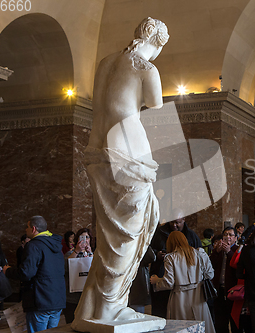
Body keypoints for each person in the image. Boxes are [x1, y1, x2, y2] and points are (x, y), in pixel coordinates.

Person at [72, 17, 169, 328]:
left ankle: (92, 308)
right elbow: (155, 103)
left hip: (96, 150)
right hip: (127, 153)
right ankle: (111, 307)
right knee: (128, 233)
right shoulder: (147, 69)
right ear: (158, 44)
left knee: (111, 236)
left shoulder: (105, 62)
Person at [4, 216, 66, 333]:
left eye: (27, 227)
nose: (25, 230)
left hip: (40, 299)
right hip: (57, 299)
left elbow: (26, 273)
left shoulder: (33, 245)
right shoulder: (57, 245)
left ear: (33, 229)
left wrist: (8, 271)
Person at [150, 231, 215, 332]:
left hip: (179, 299)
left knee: (181, 328)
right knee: (200, 327)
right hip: (198, 297)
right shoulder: (199, 253)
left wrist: (157, 280)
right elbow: (210, 274)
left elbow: (169, 283)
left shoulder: (171, 257)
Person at [150, 211, 201, 317]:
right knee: (161, 312)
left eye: (177, 222)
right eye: (172, 222)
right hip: (161, 276)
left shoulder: (191, 236)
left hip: (184, 283)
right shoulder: (159, 233)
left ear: (183, 220)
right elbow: (149, 250)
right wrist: (157, 254)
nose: (174, 225)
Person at [210, 227, 239, 333]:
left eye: (230, 235)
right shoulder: (218, 250)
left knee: (235, 323)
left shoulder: (238, 249)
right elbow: (210, 266)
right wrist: (216, 252)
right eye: (225, 234)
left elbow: (238, 266)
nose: (228, 237)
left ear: (235, 238)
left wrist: (229, 252)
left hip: (233, 291)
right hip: (219, 290)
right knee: (220, 323)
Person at [63, 228, 94, 323]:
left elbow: (95, 269)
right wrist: (77, 251)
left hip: (87, 295)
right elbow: (66, 266)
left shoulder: (92, 254)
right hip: (72, 296)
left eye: (87, 237)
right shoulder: (70, 253)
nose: (85, 239)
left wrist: (90, 253)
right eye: (82, 237)